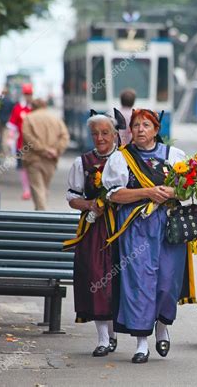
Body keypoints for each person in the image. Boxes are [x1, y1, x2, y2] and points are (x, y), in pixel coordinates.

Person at [102, 109, 193, 364]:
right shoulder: (121, 158)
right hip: (135, 227)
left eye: (146, 125)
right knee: (139, 283)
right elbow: (113, 195)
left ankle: (163, 325)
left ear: (156, 129)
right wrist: (147, 192)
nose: (140, 129)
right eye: (136, 125)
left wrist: (173, 191)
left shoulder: (174, 156)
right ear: (130, 130)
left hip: (168, 227)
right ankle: (142, 343)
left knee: (167, 282)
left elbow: (188, 191)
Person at [65, 112, 119, 357]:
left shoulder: (125, 160)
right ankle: (102, 338)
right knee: (96, 279)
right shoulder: (82, 163)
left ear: (115, 134)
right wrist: (89, 205)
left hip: (122, 227)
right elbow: (72, 197)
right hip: (94, 230)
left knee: (121, 280)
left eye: (105, 132)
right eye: (95, 133)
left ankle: (114, 329)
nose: (100, 138)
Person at [22, 99, 70, 210]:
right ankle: (41, 212)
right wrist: (56, 150)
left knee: (38, 188)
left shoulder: (28, 118)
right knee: (44, 188)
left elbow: (28, 137)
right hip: (51, 160)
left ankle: (42, 216)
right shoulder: (55, 118)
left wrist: (43, 150)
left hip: (34, 159)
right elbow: (65, 136)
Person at [6, 83, 33, 199]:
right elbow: (12, 126)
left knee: (32, 167)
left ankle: (32, 188)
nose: (28, 96)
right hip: (21, 143)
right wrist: (10, 139)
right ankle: (26, 189)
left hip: (34, 144)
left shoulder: (34, 108)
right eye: (26, 94)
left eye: (29, 94)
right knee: (22, 167)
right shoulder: (18, 108)